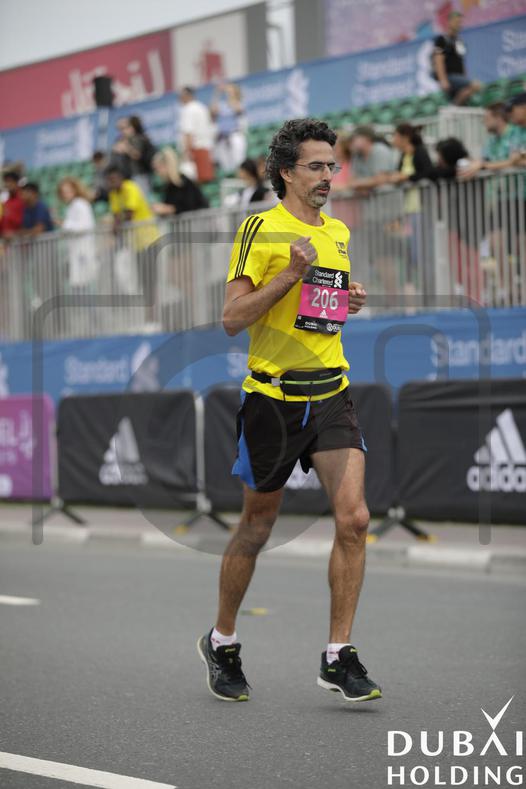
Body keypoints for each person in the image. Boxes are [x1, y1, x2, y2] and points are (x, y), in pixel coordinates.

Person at [197, 118, 381, 705]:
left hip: (330, 393)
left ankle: (338, 655)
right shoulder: (260, 228)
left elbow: (319, 312)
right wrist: (290, 275)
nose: (328, 176)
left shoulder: (339, 232)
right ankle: (222, 641)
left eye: (332, 166)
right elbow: (233, 318)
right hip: (272, 400)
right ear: (286, 172)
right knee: (257, 526)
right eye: (316, 166)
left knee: (355, 519)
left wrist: (345, 300)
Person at [432, 11, 481, 106]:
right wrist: (443, 80)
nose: (458, 24)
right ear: (449, 22)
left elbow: (461, 61)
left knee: (466, 98)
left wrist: (465, 78)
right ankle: (454, 106)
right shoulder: (441, 39)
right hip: (450, 76)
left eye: (460, 22)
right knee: (476, 85)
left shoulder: (460, 42)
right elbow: (438, 60)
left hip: (459, 77)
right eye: (456, 21)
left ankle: (454, 105)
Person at [56, 177, 97, 288]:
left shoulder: (80, 204)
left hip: (83, 250)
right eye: (63, 192)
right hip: (76, 250)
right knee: (79, 284)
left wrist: (63, 224)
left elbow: (85, 226)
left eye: (68, 191)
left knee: (85, 284)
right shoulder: (72, 206)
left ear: (75, 190)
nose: (65, 195)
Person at [151, 147, 209, 217]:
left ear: (166, 166)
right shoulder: (169, 186)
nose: (157, 173)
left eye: (158, 168)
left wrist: (168, 209)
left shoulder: (183, 182)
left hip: (200, 220)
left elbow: (189, 206)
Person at [179, 86, 215, 184]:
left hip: (195, 149)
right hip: (206, 148)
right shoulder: (202, 107)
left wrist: (187, 152)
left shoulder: (188, 109)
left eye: (181, 95)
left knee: (194, 181)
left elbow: (188, 133)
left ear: (187, 95)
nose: (180, 98)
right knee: (205, 180)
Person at [210, 82, 247, 173]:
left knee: (238, 162)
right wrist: (217, 94)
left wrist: (231, 92)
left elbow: (237, 109)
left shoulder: (239, 103)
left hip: (235, 135)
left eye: (231, 91)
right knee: (225, 165)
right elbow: (212, 111)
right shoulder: (222, 104)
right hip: (222, 137)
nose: (228, 93)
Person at [0, 171, 24, 239]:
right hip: (7, 242)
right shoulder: (5, 203)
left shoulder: (23, 200)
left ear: (17, 183)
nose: (8, 184)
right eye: (6, 181)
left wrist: (15, 233)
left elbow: (25, 222)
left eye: (10, 181)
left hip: (21, 240)